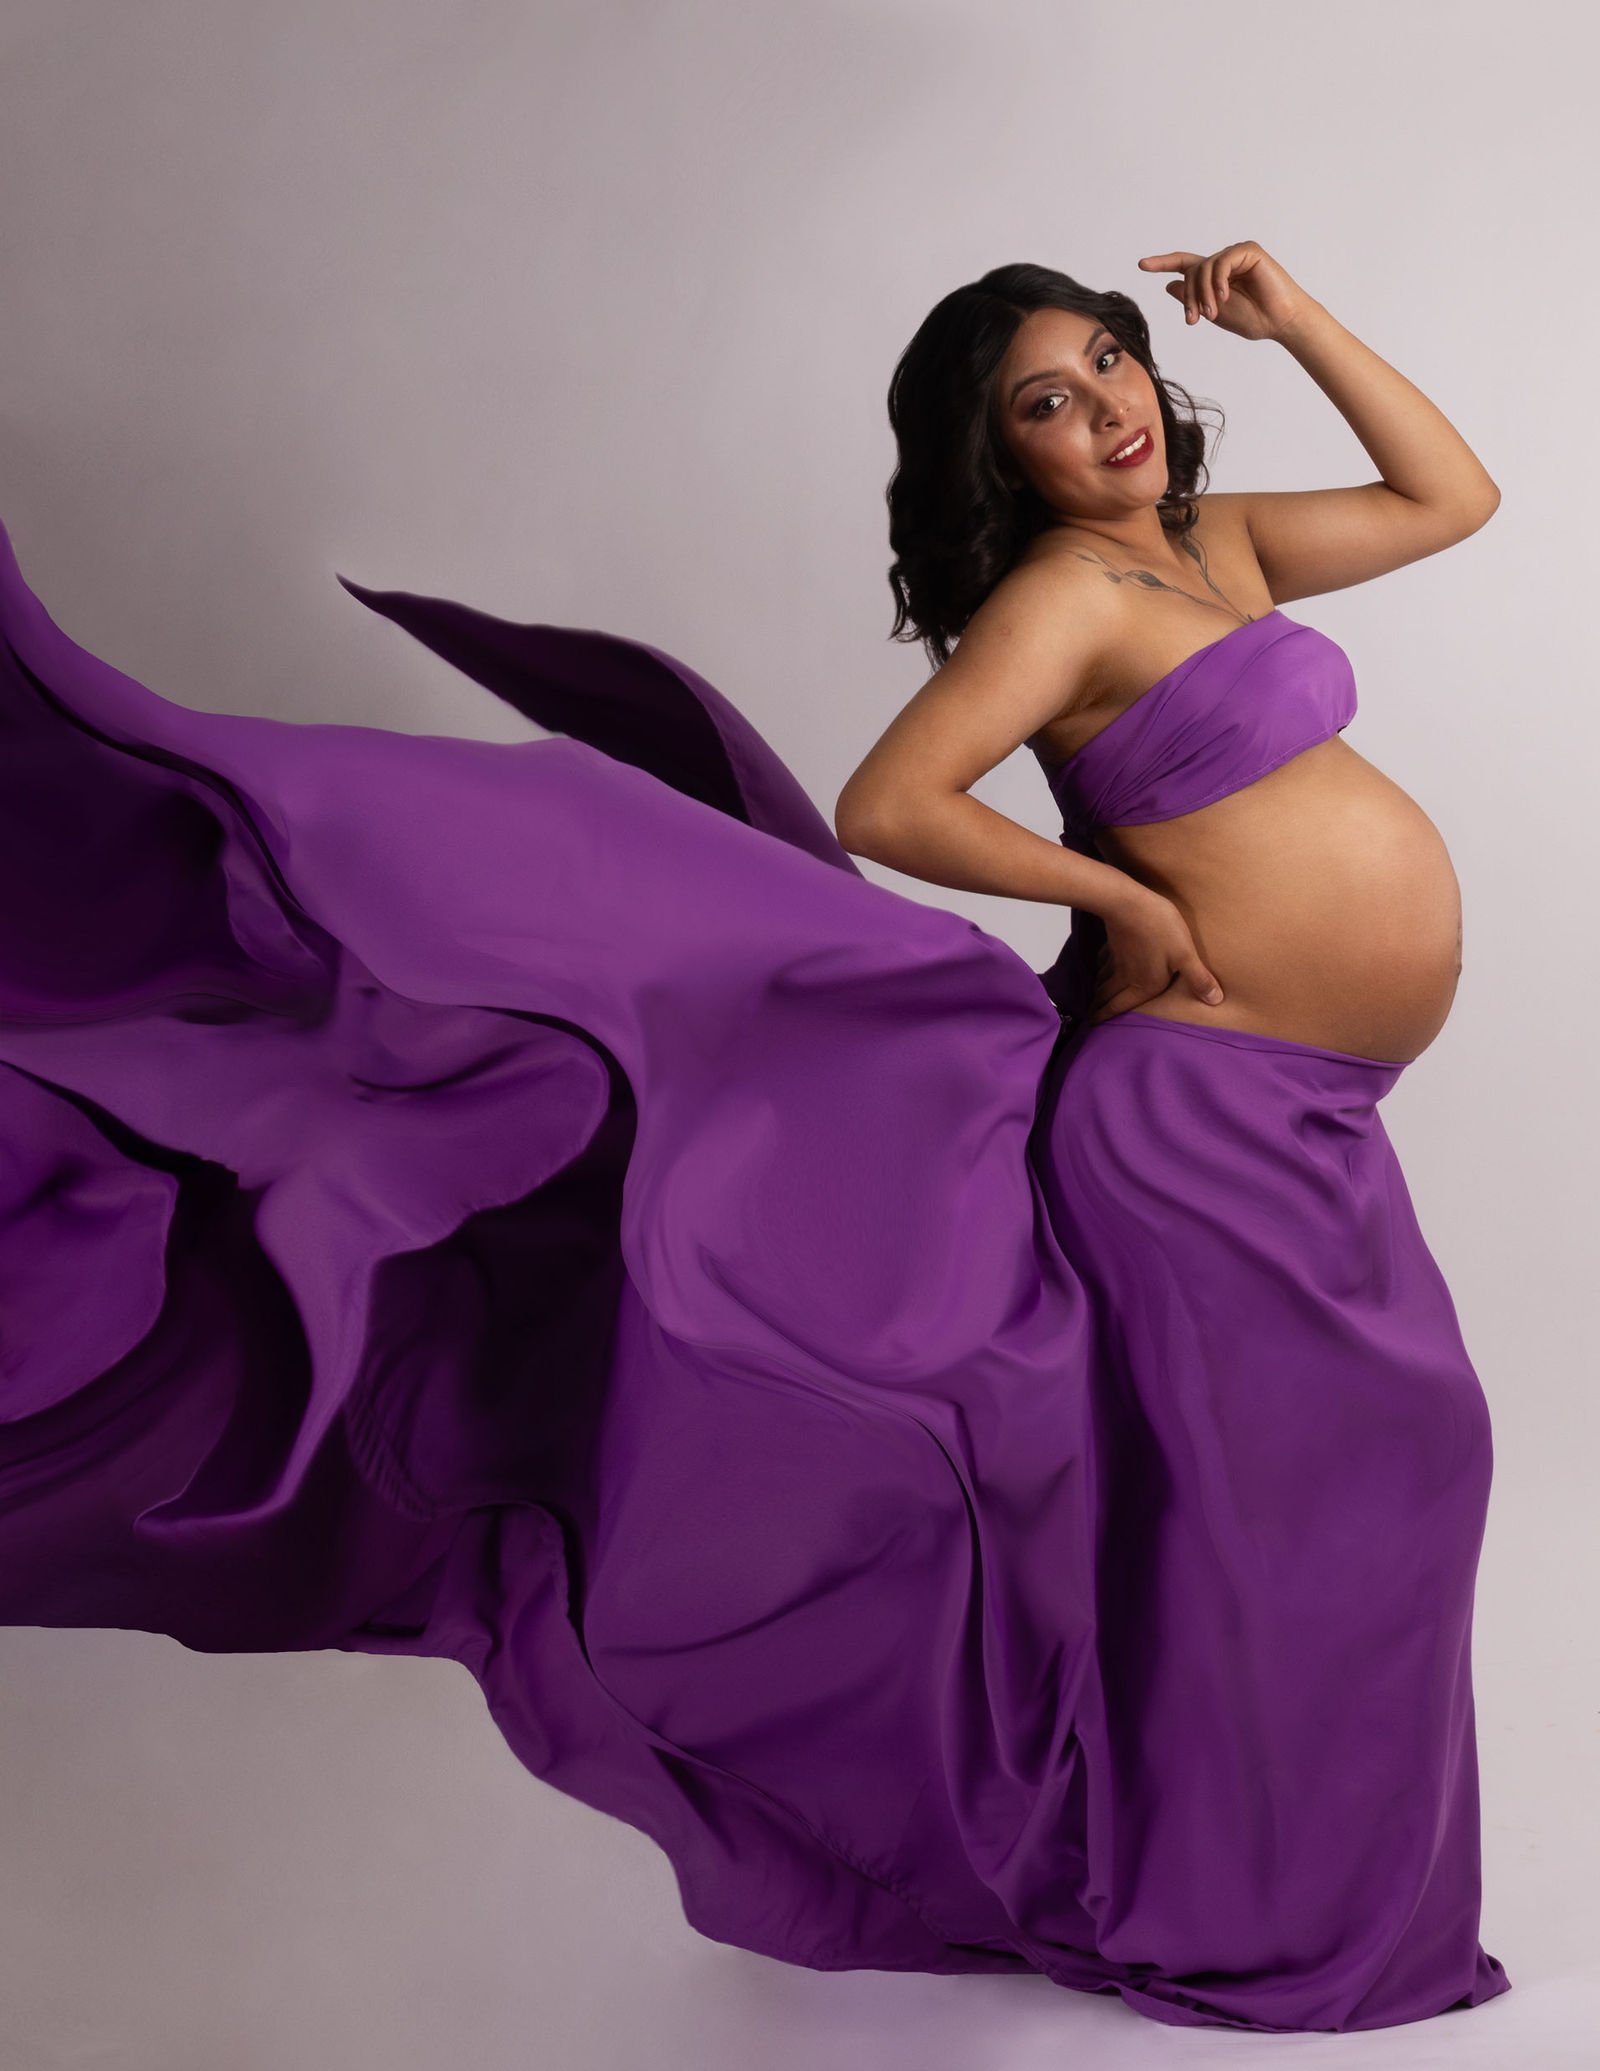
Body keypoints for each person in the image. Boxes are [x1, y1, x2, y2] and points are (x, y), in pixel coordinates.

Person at [0, 241, 1509, 2036]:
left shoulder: (1217, 546)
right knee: (1308, 1495)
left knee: (1359, 1480)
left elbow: (1454, 499)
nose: (1103, 407)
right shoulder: (1066, 597)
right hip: (1196, 1112)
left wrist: (1294, 320)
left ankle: (1316, 1905)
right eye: (1047, 400)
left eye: (1110, 362)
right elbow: (892, 802)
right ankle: (1259, 1922)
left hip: (1314, 1102)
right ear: (1002, 455)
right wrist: (1117, 895)